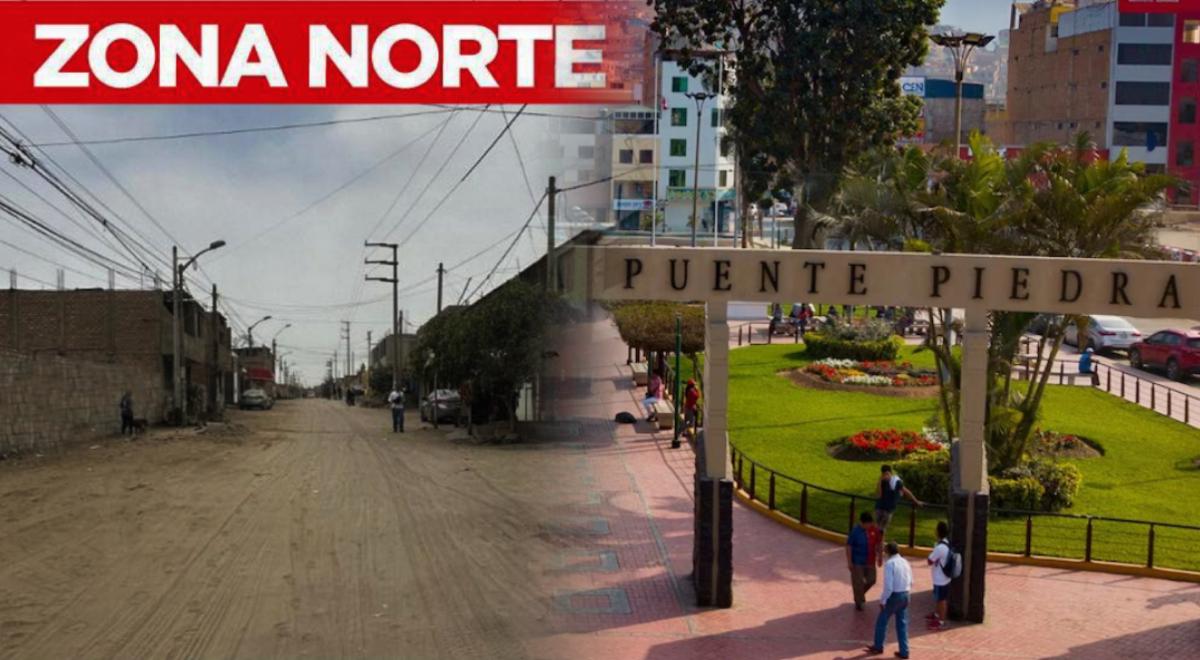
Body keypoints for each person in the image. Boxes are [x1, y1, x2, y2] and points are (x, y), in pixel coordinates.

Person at [866, 542, 912, 658]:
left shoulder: (890, 564)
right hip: (905, 594)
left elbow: (888, 587)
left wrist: (883, 600)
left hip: (894, 596)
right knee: (902, 624)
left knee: (882, 621)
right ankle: (904, 651)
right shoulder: (905, 562)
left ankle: (878, 646)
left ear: (888, 552)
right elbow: (911, 581)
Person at [846, 511, 884, 611]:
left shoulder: (874, 530)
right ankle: (859, 601)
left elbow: (879, 543)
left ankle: (859, 593)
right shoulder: (855, 532)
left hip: (870, 560)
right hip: (857, 561)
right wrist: (849, 562)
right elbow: (849, 546)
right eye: (868, 524)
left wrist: (880, 557)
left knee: (872, 579)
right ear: (862, 523)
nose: (869, 525)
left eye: (870, 523)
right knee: (858, 581)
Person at [874, 465, 922, 536]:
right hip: (879, 508)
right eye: (884, 474)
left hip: (888, 510)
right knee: (877, 529)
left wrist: (916, 501)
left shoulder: (896, 481)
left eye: (887, 474)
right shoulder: (882, 481)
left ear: (891, 473)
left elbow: (906, 491)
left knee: (881, 531)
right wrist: (880, 482)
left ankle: (879, 544)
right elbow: (878, 495)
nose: (886, 476)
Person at [926, 521, 953, 631]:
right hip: (942, 577)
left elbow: (929, 560)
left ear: (938, 532)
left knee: (941, 599)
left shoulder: (940, 547)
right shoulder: (946, 543)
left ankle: (941, 621)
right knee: (938, 597)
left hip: (940, 578)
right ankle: (937, 615)